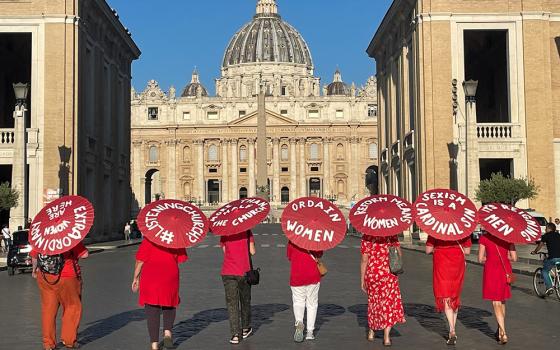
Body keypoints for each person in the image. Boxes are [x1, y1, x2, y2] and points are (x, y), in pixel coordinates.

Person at [132, 239, 188, 350]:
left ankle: (154, 345)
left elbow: (140, 261)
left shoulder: (150, 238)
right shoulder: (175, 238)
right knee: (169, 303)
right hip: (170, 273)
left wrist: (136, 278)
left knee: (152, 310)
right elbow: (180, 258)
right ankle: (167, 333)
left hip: (151, 275)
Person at [31, 243, 89, 350]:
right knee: (72, 307)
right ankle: (69, 340)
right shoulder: (69, 237)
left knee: (48, 310)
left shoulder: (42, 238)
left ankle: (48, 344)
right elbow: (85, 254)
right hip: (67, 276)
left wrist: (34, 270)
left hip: (45, 276)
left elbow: (34, 256)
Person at [425, 236, 472, 345]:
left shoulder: (436, 229)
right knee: (454, 296)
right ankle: (452, 327)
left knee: (445, 295)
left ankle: (452, 330)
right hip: (457, 264)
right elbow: (467, 251)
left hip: (441, 264)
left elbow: (428, 250)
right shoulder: (462, 229)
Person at [360, 235, 405, 346]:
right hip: (388, 274)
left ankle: (371, 331)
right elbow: (399, 255)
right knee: (388, 304)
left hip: (373, 274)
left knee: (374, 302)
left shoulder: (367, 237)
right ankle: (386, 337)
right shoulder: (392, 236)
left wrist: (362, 280)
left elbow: (364, 260)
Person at [478, 233, 517, 345]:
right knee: (502, 301)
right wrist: (505, 256)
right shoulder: (508, 237)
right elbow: (514, 258)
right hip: (505, 270)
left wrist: (489, 257)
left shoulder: (484, 238)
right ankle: (500, 330)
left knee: (496, 303)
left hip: (492, 270)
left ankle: (503, 333)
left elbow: (480, 259)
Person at [221, 230, 256, 344]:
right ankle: (245, 328)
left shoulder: (224, 232)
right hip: (244, 271)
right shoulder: (247, 232)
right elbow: (252, 251)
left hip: (228, 272)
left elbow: (225, 251)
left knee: (232, 303)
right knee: (245, 300)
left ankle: (235, 334)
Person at [287, 242, 323, 342]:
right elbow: (319, 254)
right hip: (313, 274)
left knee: (298, 301)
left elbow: (290, 257)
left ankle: (299, 323)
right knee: (312, 303)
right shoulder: (315, 239)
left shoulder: (293, 240)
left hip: (297, 274)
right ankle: (310, 332)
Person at [532, 223, 560, 294]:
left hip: (553, 257)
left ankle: (549, 287)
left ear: (549, 228)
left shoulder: (546, 236)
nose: (545, 229)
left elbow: (540, 245)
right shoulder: (558, 235)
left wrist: (535, 251)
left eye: (546, 228)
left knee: (544, 271)